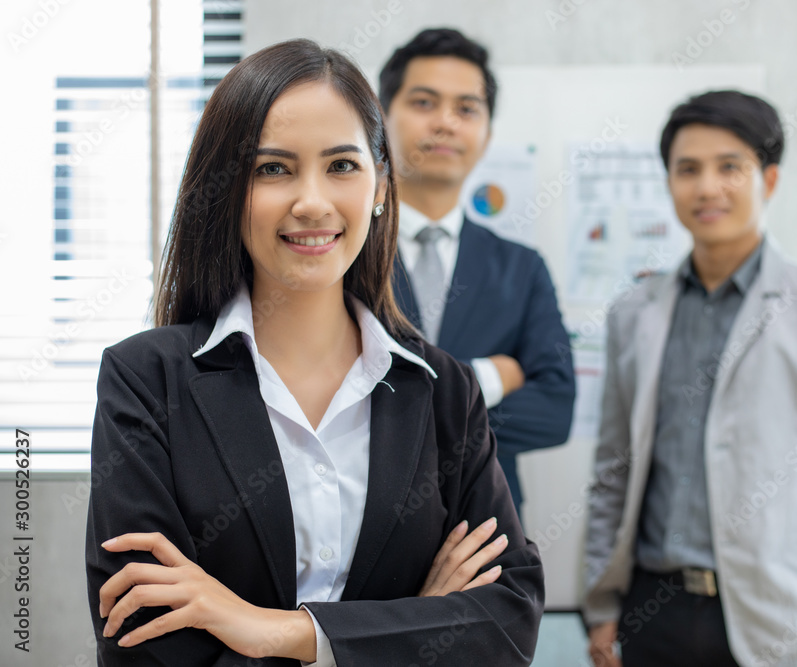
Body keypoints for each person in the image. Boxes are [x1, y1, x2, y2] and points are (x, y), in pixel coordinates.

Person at [85, 39, 543, 666]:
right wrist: (410, 629)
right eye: (272, 168)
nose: (312, 201)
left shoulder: (443, 390)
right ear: (227, 190)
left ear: (381, 184)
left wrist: (272, 630)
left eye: (342, 166)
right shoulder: (145, 380)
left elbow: (507, 624)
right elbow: (143, 645)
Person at [584, 90, 797, 667]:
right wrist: (602, 605)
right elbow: (613, 470)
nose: (707, 187)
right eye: (688, 169)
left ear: (770, 179)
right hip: (650, 613)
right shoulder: (634, 313)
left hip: (778, 625)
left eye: (729, 167)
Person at [379, 28, 576, 518]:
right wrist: (488, 376)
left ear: (487, 132)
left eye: (467, 109)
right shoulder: (342, 253)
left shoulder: (520, 268)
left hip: (488, 531)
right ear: (382, 118)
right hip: (365, 532)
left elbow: (555, 411)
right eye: (424, 102)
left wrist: (403, 413)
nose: (446, 122)